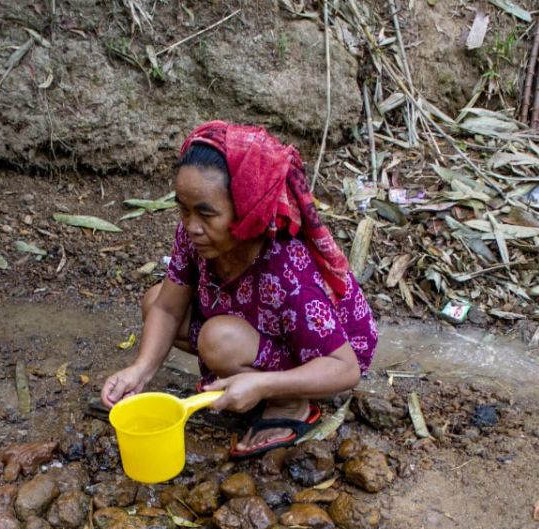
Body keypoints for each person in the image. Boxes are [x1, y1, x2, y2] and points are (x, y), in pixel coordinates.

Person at [101, 121, 377, 458]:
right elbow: (168, 308)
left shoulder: (287, 267)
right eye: (183, 210)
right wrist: (140, 370)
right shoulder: (194, 235)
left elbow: (345, 368)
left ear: (248, 210)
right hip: (249, 325)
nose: (191, 226)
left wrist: (262, 384)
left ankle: (290, 403)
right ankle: (248, 373)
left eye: (205, 214)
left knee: (219, 341)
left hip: (321, 356)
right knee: (153, 300)